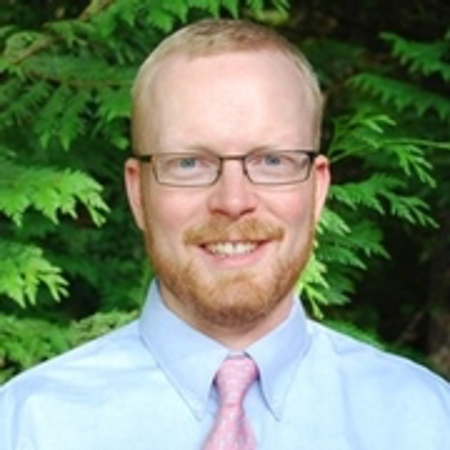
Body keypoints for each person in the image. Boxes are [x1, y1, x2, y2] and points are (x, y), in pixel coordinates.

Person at [0, 19, 449, 450]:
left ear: (317, 190)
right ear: (138, 192)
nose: (233, 201)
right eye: (190, 163)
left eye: (272, 160)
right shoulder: (26, 426)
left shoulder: (426, 422)